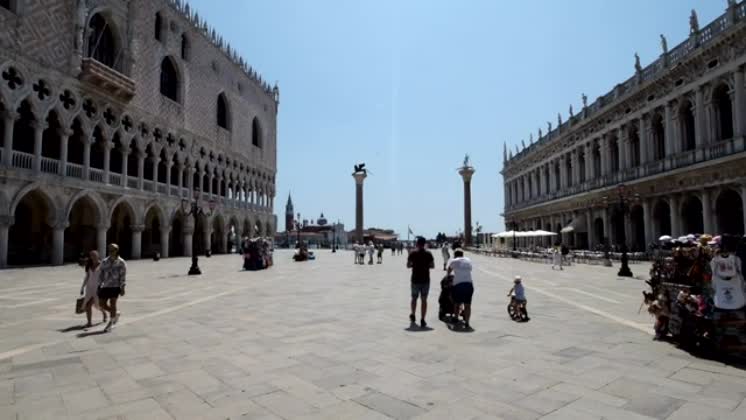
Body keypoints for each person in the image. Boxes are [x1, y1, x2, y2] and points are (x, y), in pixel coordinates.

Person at [98, 244, 127, 332]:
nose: (111, 251)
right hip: (105, 285)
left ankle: (110, 323)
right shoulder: (104, 261)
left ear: (116, 250)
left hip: (115, 286)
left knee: (113, 303)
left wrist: (122, 287)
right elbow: (101, 273)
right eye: (109, 250)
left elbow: (123, 276)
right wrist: (99, 284)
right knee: (101, 304)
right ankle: (115, 313)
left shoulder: (121, 262)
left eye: (113, 250)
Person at [407, 237, 434, 328]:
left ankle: (413, 314)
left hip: (415, 279)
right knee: (424, 300)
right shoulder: (428, 253)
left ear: (417, 244)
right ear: (424, 244)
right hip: (425, 279)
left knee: (414, 298)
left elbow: (408, 265)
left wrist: (414, 264)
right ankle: (422, 319)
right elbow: (432, 266)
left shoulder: (413, 253)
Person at [447, 249, 474, 329]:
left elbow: (449, 271)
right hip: (469, 284)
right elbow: (470, 269)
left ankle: (456, 318)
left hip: (458, 285)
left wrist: (448, 278)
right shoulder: (468, 260)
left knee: (456, 303)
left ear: (455, 255)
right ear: (462, 254)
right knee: (467, 305)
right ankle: (467, 322)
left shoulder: (454, 261)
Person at [80, 250, 107, 328]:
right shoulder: (89, 265)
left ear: (98, 256)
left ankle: (104, 312)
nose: (93, 257)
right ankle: (89, 322)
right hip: (89, 288)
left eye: (94, 255)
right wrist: (82, 288)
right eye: (91, 255)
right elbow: (87, 277)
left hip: (98, 289)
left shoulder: (102, 265)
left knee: (97, 305)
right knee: (88, 305)